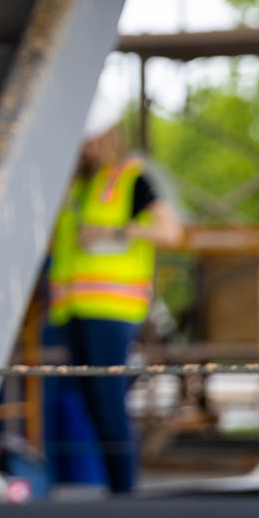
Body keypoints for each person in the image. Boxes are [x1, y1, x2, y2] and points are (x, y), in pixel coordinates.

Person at [47, 123, 182, 494]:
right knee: (92, 404)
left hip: (112, 309)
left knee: (109, 404)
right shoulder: (79, 184)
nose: (85, 144)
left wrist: (114, 233)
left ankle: (125, 492)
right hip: (73, 309)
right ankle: (115, 489)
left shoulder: (132, 179)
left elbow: (170, 231)